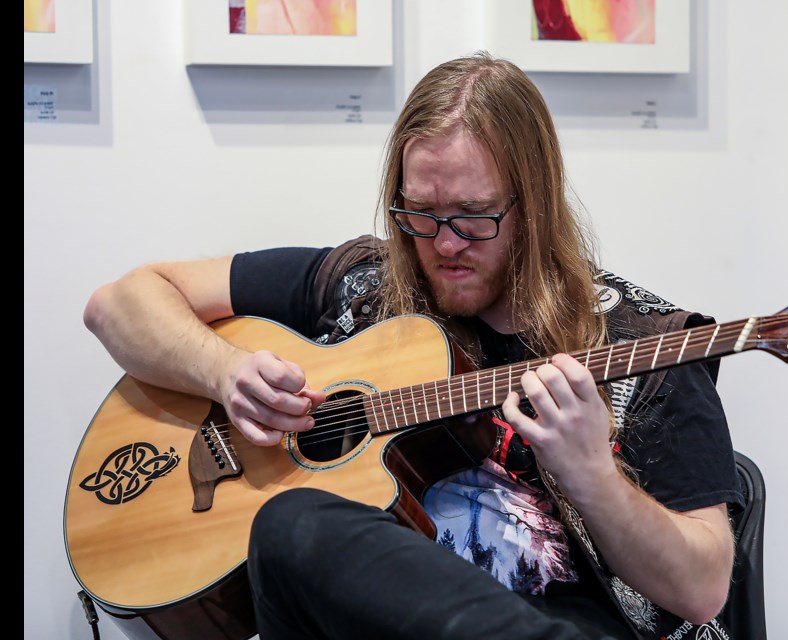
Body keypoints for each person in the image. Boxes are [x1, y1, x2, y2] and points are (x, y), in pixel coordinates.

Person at [83, 51, 744, 640]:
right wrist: (224, 373)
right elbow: (117, 304)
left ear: (534, 204)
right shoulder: (363, 281)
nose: (445, 243)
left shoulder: (645, 346)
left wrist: (594, 475)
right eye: (420, 214)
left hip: (563, 617)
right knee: (290, 526)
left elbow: (703, 588)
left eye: (473, 216)